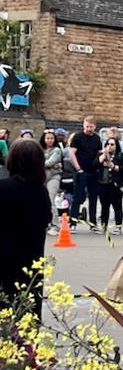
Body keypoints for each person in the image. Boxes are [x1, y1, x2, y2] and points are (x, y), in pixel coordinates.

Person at [0, 139, 53, 308]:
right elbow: (46, 219)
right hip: (32, 260)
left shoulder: (3, 187)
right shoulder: (40, 191)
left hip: (4, 259)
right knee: (28, 310)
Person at [68, 116, 103, 233]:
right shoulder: (77, 137)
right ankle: (72, 223)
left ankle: (93, 224)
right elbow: (72, 153)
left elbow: (99, 154)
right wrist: (78, 168)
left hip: (94, 172)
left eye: (91, 127)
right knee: (77, 197)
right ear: (83, 125)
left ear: (95, 127)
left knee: (93, 199)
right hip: (81, 171)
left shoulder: (97, 138)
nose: (89, 129)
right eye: (87, 126)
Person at [95, 136, 123, 235]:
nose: (109, 146)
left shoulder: (120, 156)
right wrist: (102, 157)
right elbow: (94, 164)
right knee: (104, 206)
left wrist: (114, 166)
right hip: (103, 183)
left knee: (117, 206)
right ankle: (104, 226)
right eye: (108, 144)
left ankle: (118, 226)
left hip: (115, 184)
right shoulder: (101, 155)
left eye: (112, 144)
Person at [41, 130, 62, 228]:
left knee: (50, 199)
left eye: (51, 138)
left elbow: (49, 162)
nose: (49, 140)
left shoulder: (57, 150)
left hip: (53, 177)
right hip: (42, 177)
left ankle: (55, 223)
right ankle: (44, 221)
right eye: (47, 138)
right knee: (42, 200)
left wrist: (39, 164)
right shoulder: (40, 149)